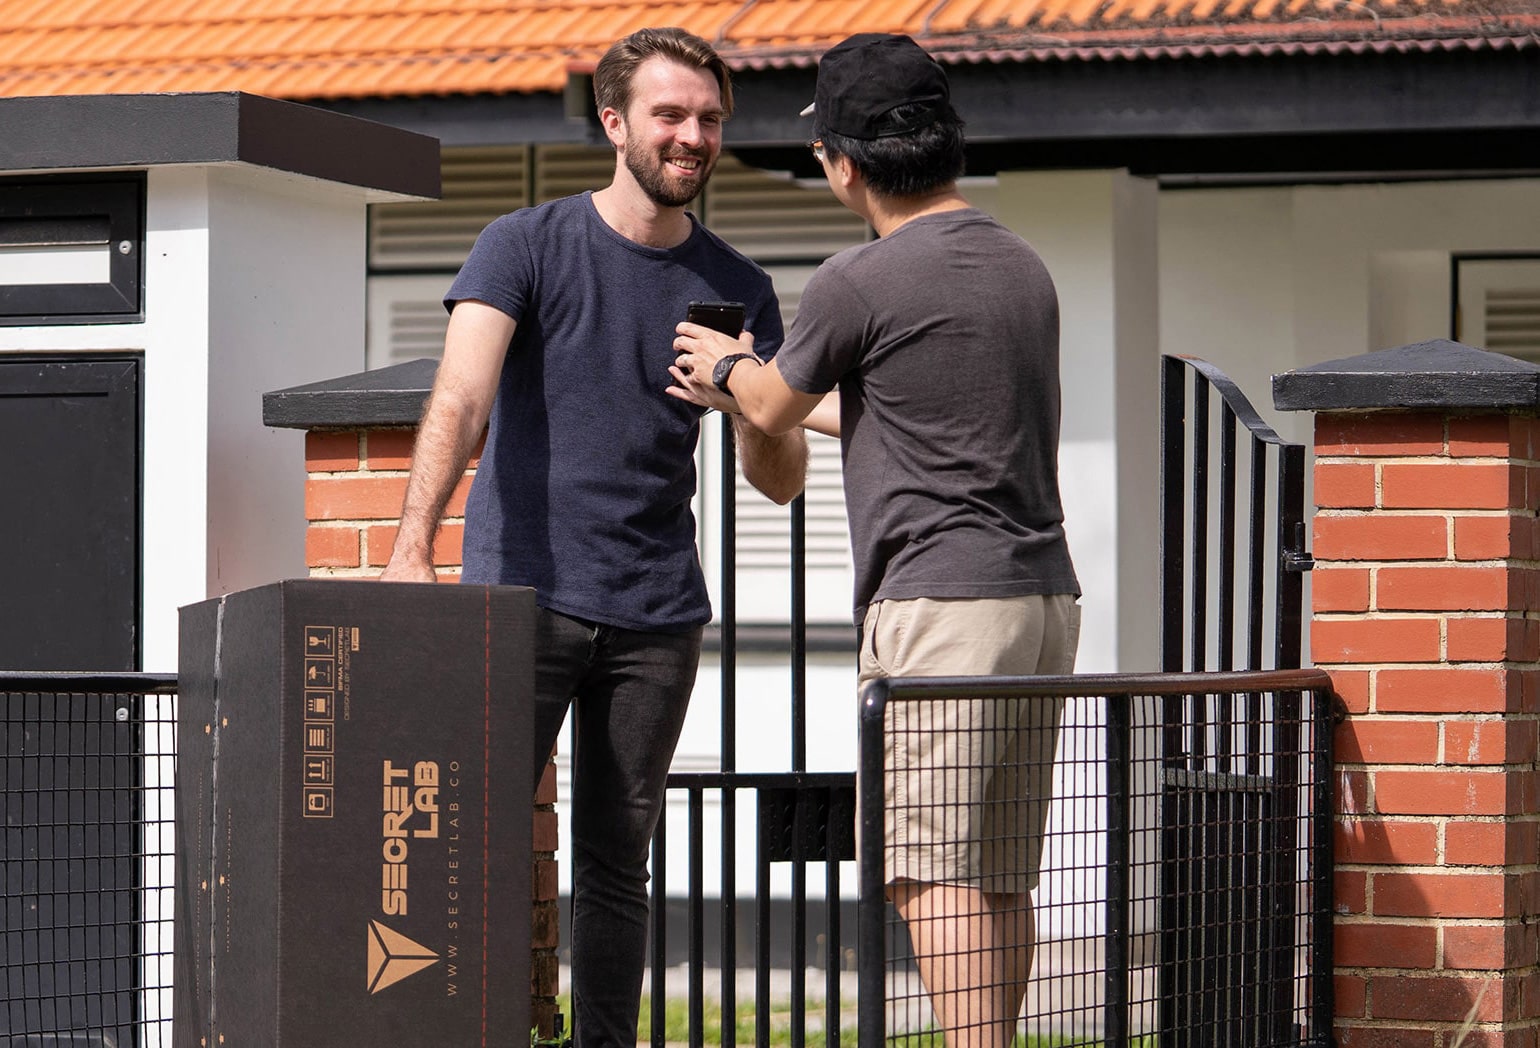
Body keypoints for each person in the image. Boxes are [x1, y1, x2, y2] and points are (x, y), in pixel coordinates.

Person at [379, 26, 808, 1048]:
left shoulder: (740, 286)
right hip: (521, 594)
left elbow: (780, 480)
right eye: (670, 115)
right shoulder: (524, 243)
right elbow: (461, 398)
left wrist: (745, 390)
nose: (691, 135)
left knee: (618, 861)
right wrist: (412, 545)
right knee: (468, 843)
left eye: (708, 119)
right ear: (616, 123)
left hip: (657, 612)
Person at [668, 32, 1081, 1048]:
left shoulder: (860, 279)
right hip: (1039, 598)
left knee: (924, 865)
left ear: (840, 162)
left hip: (939, 603)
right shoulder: (1020, 266)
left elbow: (767, 400)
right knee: (999, 869)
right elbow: (893, 415)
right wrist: (763, 386)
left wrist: (723, 366)